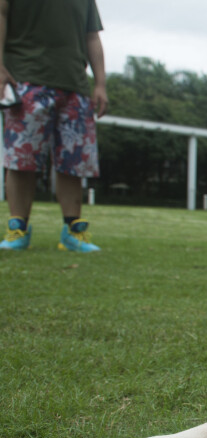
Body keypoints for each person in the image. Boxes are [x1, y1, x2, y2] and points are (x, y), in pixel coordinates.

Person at [0, 0, 108, 253]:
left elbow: (92, 36)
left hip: (75, 85)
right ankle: (18, 229)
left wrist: (100, 82)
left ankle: (72, 231)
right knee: (22, 159)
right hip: (25, 78)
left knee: (73, 162)